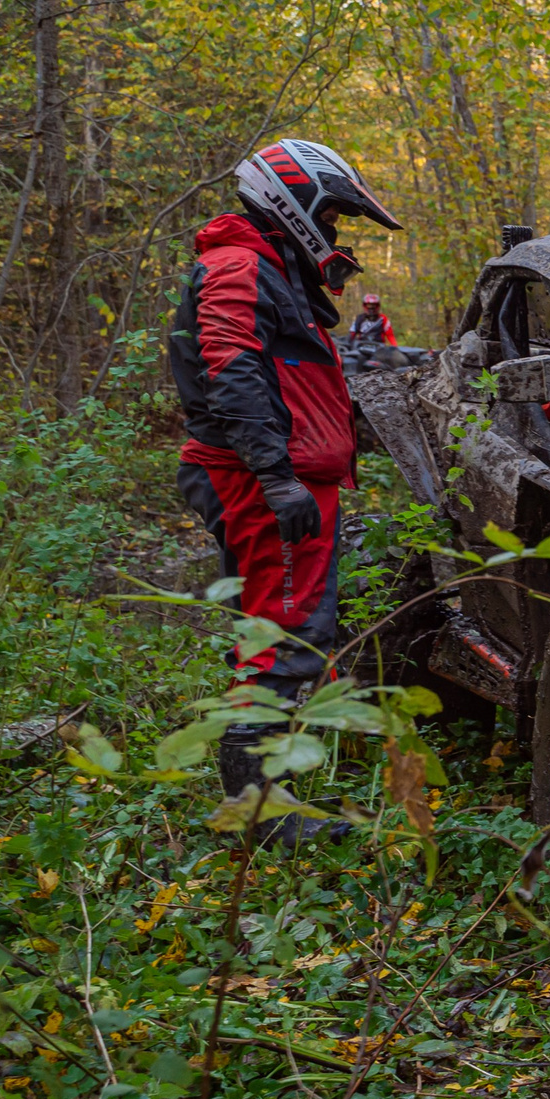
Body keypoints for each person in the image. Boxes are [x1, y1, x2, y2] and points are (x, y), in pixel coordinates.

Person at [169, 138, 402, 843]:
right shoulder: (241, 266)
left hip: (278, 475)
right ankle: (264, 815)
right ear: (292, 200)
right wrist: (276, 476)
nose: (332, 234)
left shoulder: (266, 269)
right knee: (284, 633)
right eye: (328, 216)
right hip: (263, 481)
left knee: (276, 628)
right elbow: (231, 368)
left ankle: (267, 799)